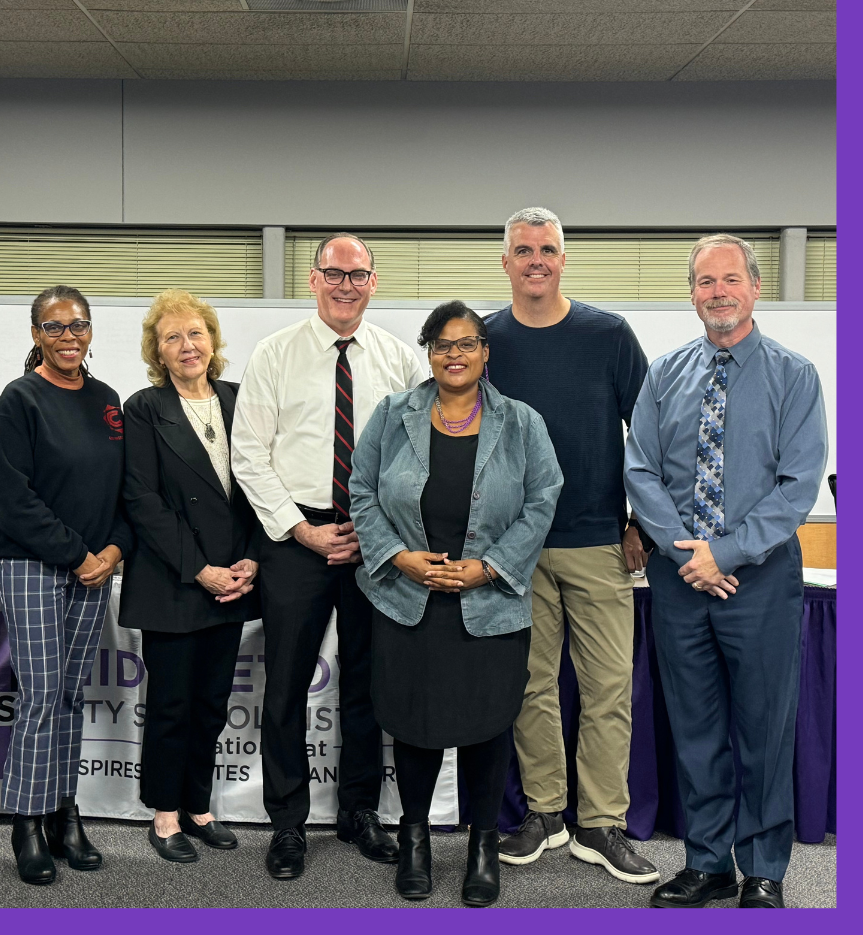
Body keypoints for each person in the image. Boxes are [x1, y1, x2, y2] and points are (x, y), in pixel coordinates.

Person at [625, 234, 826, 909]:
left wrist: (726, 553)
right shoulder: (665, 374)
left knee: (765, 730)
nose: (718, 292)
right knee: (696, 728)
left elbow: (797, 485)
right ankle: (708, 863)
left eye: (730, 279)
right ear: (691, 293)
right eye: (705, 282)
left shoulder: (795, 376)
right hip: (681, 583)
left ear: (755, 287)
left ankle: (764, 869)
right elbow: (641, 471)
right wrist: (689, 557)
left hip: (760, 580)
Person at [349, 301, 562, 906]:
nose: (456, 354)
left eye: (467, 343)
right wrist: (397, 556)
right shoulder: (393, 416)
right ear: (430, 352)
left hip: (489, 602)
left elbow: (543, 498)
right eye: (443, 344)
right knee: (415, 725)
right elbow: (361, 490)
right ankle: (413, 838)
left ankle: (482, 845)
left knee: (487, 726)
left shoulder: (521, 423)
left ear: (485, 352)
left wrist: (490, 567)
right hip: (406, 597)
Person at [231, 233, 424, 879]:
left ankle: (359, 811)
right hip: (297, 540)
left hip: (375, 541)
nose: (346, 285)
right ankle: (287, 822)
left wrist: (383, 527)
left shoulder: (399, 361)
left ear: (375, 282)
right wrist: (299, 529)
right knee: (284, 684)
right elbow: (249, 455)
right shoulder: (276, 355)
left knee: (370, 683)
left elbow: (418, 455)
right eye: (334, 273)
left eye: (358, 274)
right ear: (313, 280)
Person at [484, 207, 659, 884]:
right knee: (531, 687)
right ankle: (546, 815)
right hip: (514, 549)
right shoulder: (486, 339)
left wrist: (639, 520)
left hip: (598, 542)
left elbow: (647, 438)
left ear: (563, 260)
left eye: (547, 249)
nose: (536, 259)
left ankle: (601, 824)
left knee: (609, 686)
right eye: (523, 249)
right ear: (505, 261)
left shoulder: (608, 335)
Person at [0, 285, 133, 886]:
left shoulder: (107, 400)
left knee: (71, 695)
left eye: (78, 325)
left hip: (95, 567)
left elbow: (126, 488)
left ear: (91, 331)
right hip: (33, 565)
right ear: (35, 335)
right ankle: (26, 820)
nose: (68, 336)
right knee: (42, 695)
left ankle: (62, 812)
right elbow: (10, 498)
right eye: (54, 327)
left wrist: (115, 550)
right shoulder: (19, 400)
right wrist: (78, 555)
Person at [119, 290, 262, 863]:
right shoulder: (144, 407)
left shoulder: (238, 398)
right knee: (173, 704)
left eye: (196, 333)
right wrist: (201, 569)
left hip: (234, 576)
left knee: (211, 702)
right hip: (176, 580)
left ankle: (199, 806)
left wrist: (251, 557)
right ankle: (165, 815)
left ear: (213, 340)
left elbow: (258, 484)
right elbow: (142, 499)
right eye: (173, 337)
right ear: (158, 350)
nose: (187, 346)